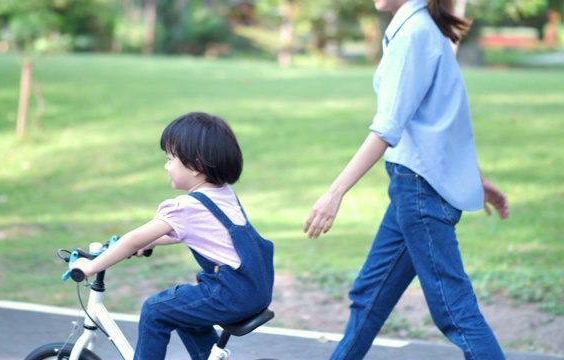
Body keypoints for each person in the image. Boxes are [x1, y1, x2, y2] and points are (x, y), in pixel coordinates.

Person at [303, 0, 510, 359]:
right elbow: (445, 121)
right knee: (369, 296)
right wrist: (479, 178)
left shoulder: (415, 34)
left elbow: (387, 128)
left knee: (453, 309)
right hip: (412, 189)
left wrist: (335, 193)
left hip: (419, 191)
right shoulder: (421, 29)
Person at [71, 112, 274, 360]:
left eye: (170, 159)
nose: (166, 166)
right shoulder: (222, 194)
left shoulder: (184, 206)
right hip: (255, 290)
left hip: (229, 295)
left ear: (196, 166)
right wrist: (152, 241)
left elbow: (134, 239)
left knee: (155, 310)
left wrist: (90, 266)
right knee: (188, 313)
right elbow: (190, 234)